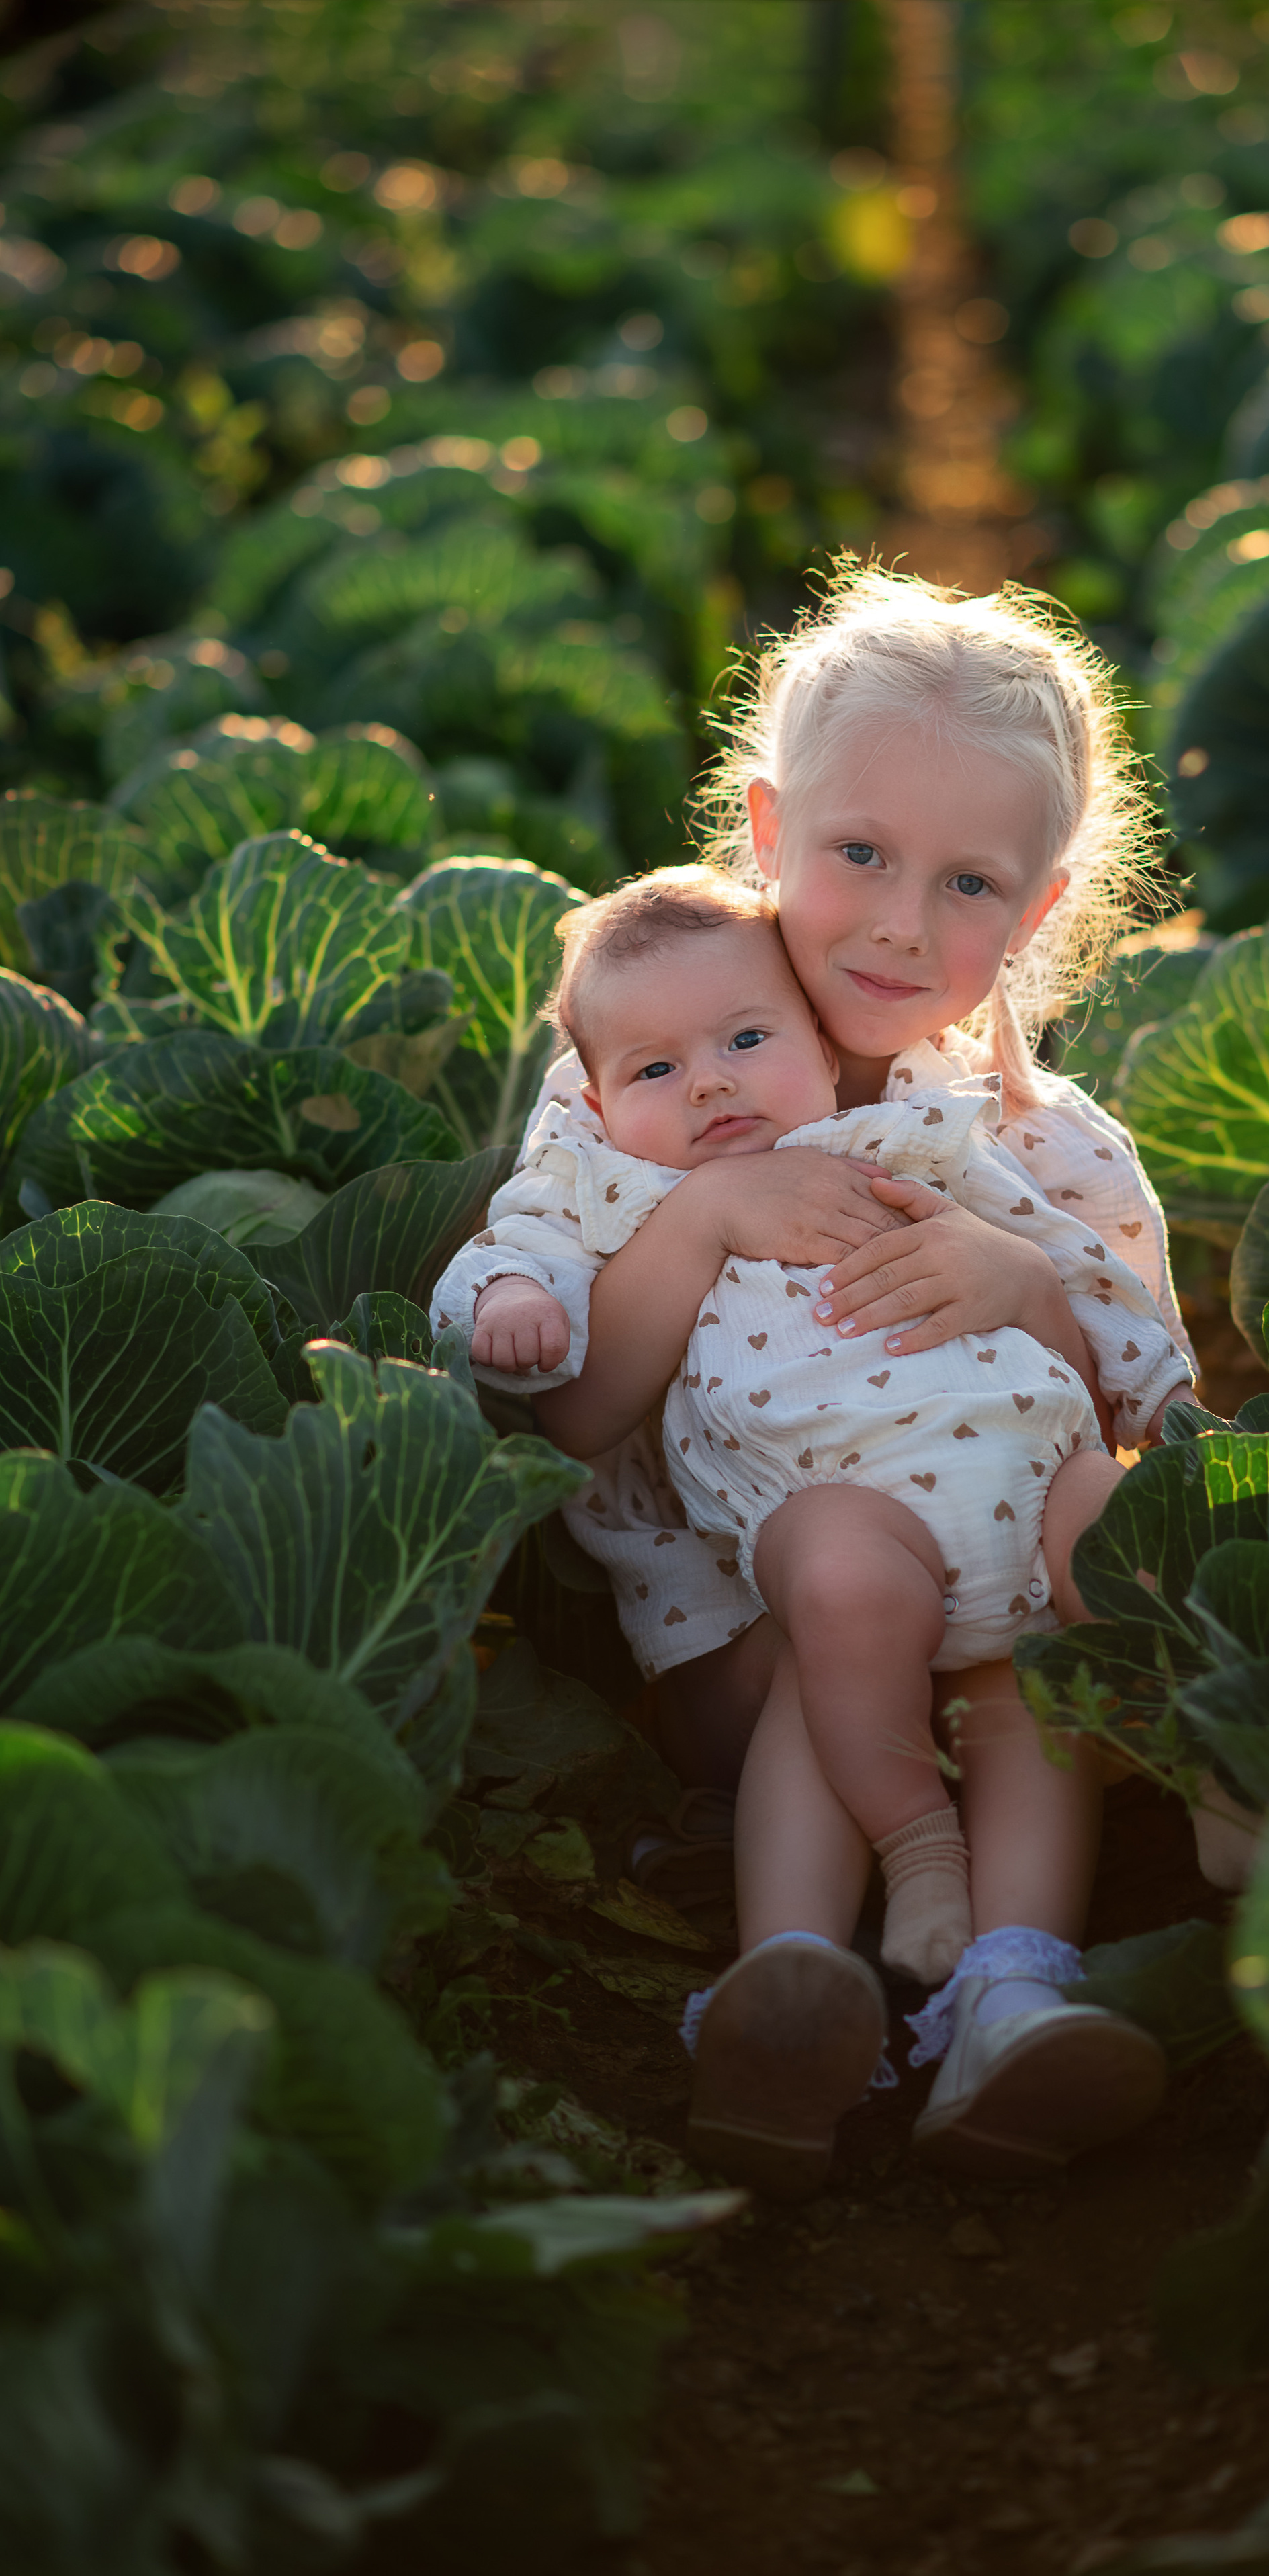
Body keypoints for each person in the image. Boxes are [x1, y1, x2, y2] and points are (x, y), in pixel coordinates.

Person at [433, 565, 1197, 2195]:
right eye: (858, 854)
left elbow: (1140, 1434)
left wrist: (1027, 1292)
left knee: (1037, 1651)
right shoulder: (641, 1083)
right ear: (770, 834)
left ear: (1042, 910)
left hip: (999, 1584)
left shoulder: (1046, 1147)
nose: (905, 922)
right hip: (751, 1636)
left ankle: (1009, 1997)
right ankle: (786, 1992)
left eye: (970, 882)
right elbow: (568, 1423)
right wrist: (705, 1220)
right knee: (849, 1611)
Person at [439, 868, 1190, 2008]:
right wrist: (508, 1302)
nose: (710, 1085)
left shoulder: (918, 1133)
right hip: (838, 1555)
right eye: (656, 1070)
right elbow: (521, 1273)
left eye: (748, 1038)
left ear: (821, 1043)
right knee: (847, 1598)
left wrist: (1109, 1351)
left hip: (1027, 1497)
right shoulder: (609, 1186)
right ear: (593, 1105)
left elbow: (1077, 1282)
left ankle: (1041, 1965)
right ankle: (832, 1942)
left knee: (1131, 1534)